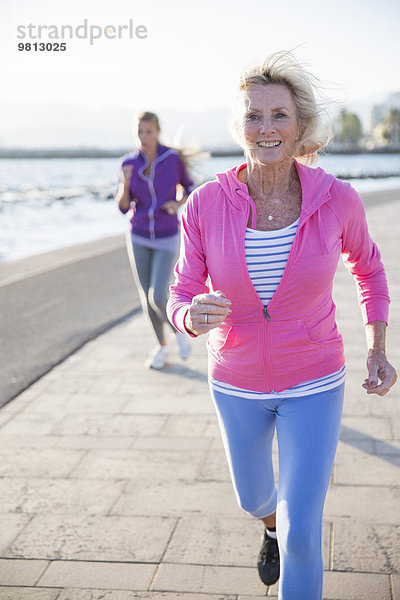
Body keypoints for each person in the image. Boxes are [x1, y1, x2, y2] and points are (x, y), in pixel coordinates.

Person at [167, 51, 397, 599]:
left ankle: (285, 536)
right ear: (239, 126)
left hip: (314, 381)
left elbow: (369, 267)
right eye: (253, 116)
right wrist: (188, 316)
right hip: (236, 381)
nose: (265, 128)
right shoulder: (204, 205)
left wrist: (377, 346)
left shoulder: (337, 200)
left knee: (303, 536)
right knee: (254, 498)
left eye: (278, 116)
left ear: (300, 127)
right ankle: (266, 525)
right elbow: (179, 292)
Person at [116, 111, 196, 369]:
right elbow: (122, 206)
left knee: (158, 295)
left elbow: (190, 187)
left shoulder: (171, 159)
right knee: (145, 298)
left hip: (166, 234)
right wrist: (125, 183)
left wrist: (177, 203)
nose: (144, 136)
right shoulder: (129, 163)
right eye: (140, 131)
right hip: (138, 235)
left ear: (158, 131)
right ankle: (161, 347)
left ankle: (179, 333)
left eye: (148, 131)